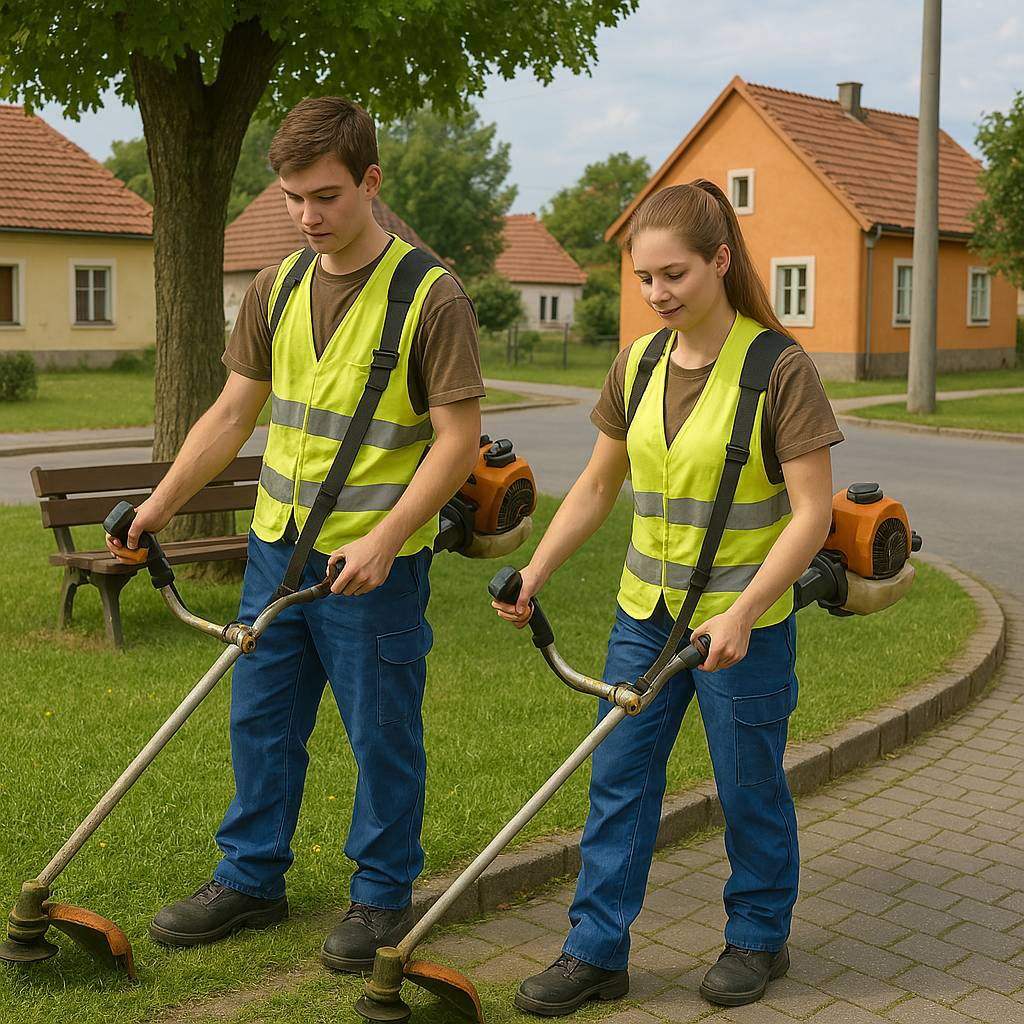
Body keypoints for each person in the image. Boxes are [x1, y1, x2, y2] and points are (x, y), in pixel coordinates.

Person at [105, 97, 484, 970]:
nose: (309, 216)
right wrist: (158, 506)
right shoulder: (275, 288)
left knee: (381, 730)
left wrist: (389, 538)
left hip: (372, 566)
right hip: (278, 550)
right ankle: (250, 878)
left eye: (326, 195)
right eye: (292, 198)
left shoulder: (431, 297)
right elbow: (233, 412)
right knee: (261, 719)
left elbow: (458, 442)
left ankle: (384, 896)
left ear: (370, 183)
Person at [493, 180, 843, 1015]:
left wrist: (748, 610)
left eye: (674, 275)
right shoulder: (638, 364)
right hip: (643, 618)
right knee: (618, 778)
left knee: (747, 782)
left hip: (741, 627)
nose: (657, 294)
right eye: (645, 278)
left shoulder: (778, 369)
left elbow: (813, 514)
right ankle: (595, 950)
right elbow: (596, 485)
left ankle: (759, 936)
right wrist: (537, 568)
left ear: (721, 261)